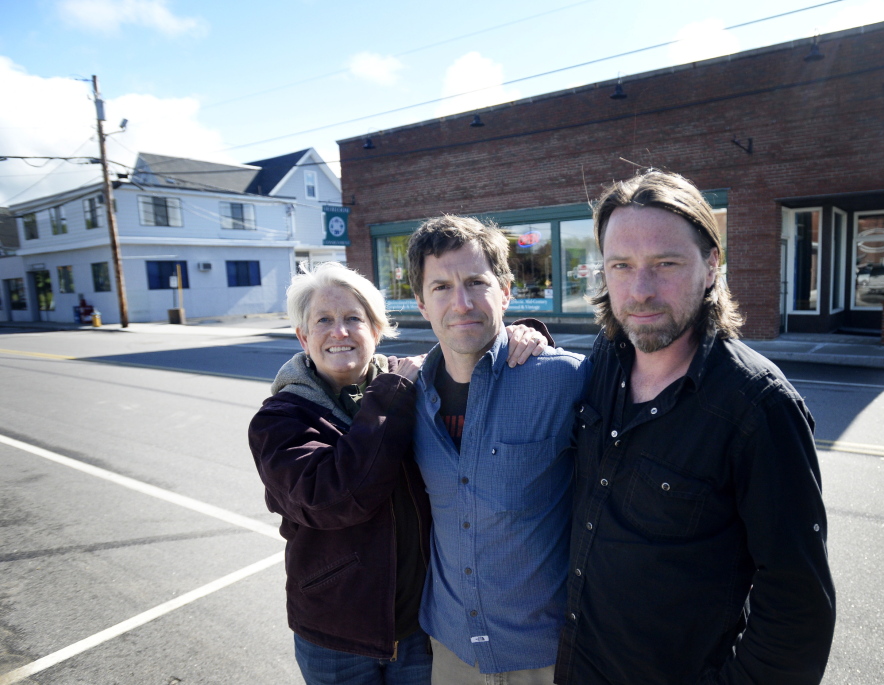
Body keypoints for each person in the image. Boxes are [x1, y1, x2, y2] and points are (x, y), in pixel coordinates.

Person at [555, 170, 836, 685]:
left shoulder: (758, 406)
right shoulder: (602, 362)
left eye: (665, 264)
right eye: (621, 265)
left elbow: (797, 611)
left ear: (711, 266)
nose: (640, 290)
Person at [249, 262, 549, 685]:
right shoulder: (281, 419)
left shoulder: (411, 383)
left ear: (376, 330)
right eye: (324, 321)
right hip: (337, 636)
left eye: (354, 318)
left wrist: (523, 335)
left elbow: (468, 357)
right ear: (303, 337)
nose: (340, 332)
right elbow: (334, 499)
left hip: (419, 627)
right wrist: (389, 396)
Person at [406, 216, 589, 684]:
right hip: (450, 651)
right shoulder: (404, 395)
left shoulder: (563, 380)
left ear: (506, 291)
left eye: (476, 282)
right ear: (421, 303)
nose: (461, 302)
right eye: (441, 287)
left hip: (544, 655)